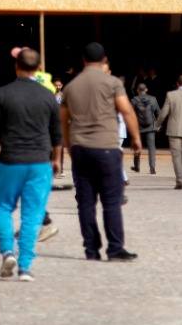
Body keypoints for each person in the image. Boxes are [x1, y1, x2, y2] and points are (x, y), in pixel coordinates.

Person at [0, 47, 62, 281]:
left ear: (16, 66)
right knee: (33, 215)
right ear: (38, 69)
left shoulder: (3, 93)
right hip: (39, 162)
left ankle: (8, 252)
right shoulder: (48, 96)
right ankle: (25, 266)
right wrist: (57, 159)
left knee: (3, 208)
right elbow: (57, 134)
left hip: (10, 160)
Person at [60, 42, 141, 262]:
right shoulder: (112, 83)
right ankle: (115, 248)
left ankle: (91, 249)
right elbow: (126, 111)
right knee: (111, 201)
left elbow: (63, 120)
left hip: (80, 148)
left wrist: (69, 145)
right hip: (106, 147)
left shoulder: (71, 86)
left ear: (83, 60)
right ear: (104, 59)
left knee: (85, 202)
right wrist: (136, 138)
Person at [129, 82, 160, 174]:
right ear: (146, 90)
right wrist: (158, 125)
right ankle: (152, 168)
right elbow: (158, 113)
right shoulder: (153, 99)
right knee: (151, 148)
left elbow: (130, 114)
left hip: (138, 127)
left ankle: (137, 166)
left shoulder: (134, 100)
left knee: (137, 145)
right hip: (150, 127)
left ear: (137, 90)